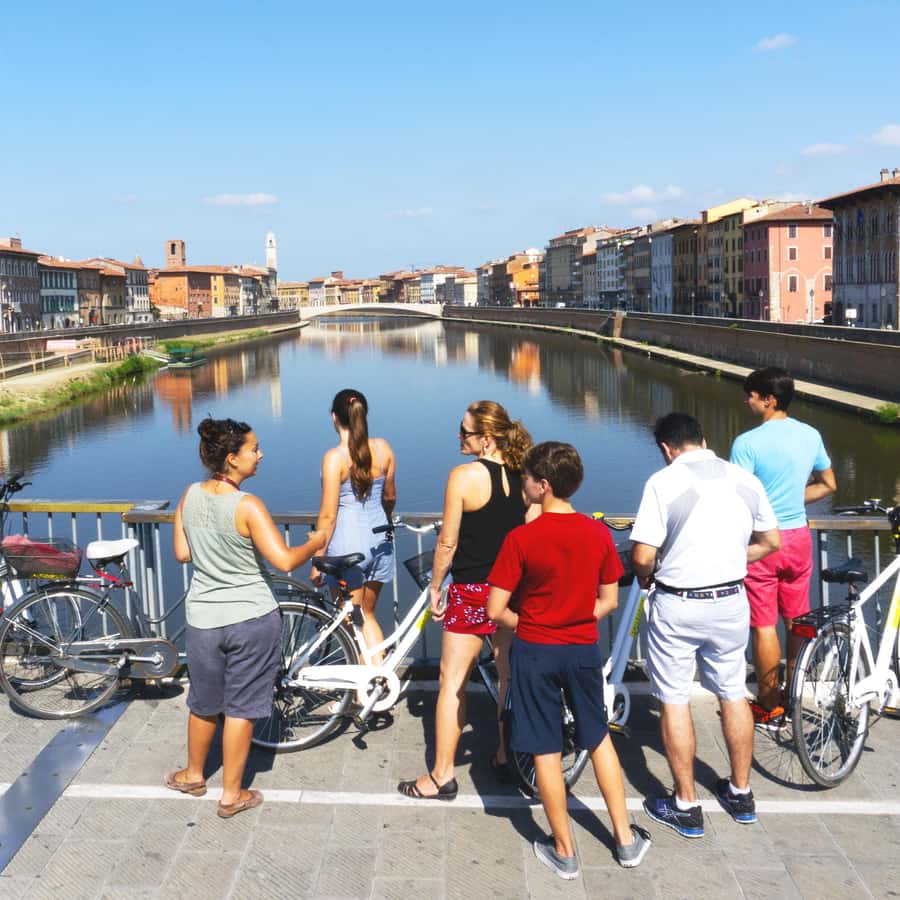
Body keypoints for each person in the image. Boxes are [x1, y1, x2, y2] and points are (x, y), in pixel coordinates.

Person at [487, 442, 652, 877]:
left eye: (525, 479)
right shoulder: (598, 534)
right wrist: (575, 618)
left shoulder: (521, 538)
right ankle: (625, 840)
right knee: (598, 737)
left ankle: (565, 851)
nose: (522, 485)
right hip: (581, 648)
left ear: (543, 486)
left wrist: (530, 625)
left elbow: (495, 609)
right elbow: (609, 601)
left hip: (535, 651)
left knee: (544, 746)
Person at [167, 417, 326, 818]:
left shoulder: (189, 494)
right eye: (254, 449)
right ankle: (231, 794)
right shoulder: (248, 505)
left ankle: (192, 773)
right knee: (240, 707)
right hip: (251, 617)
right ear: (233, 458)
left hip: (203, 617)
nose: (261, 454)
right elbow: (285, 560)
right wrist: (316, 542)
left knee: (203, 702)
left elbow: (183, 554)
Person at [631, 413, 780, 838]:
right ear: (705, 439)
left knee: (675, 698)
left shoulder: (663, 483)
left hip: (679, 602)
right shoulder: (744, 479)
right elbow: (771, 541)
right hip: (732, 600)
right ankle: (741, 792)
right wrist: (731, 560)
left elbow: (643, 555)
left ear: (666, 448)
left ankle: (685, 804)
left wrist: (647, 576)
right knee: (733, 692)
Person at [397, 400, 532, 800]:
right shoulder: (522, 474)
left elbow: (448, 542)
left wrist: (437, 587)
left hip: (473, 592)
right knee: (507, 676)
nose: (459, 437)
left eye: (465, 431)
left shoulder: (463, 477)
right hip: (510, 593)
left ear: (486, 438)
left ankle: (441, 775)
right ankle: (506, 757)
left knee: (452, 681)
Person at [730, 367, 836, 727]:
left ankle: (770, 704)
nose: (747, 400)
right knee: (797, 622)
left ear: (769, 400)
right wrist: (793, 498)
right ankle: (794, 694)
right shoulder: (811, 435)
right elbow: (828, 484)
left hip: (763, 542)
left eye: (751, 395)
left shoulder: (746, 444)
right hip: (798, 539)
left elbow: (738, 500)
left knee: (763, 625)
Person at [311, 389, 396, 664]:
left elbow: (328, 516)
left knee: (349, 622)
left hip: (347, 545)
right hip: (379, 541)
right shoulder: (383, 449)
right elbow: (390, 497)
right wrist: (387, 518)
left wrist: (317, 558)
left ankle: (363, 692)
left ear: (334, 417)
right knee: (367, 615)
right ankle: (379, 683)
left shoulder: (334, 458)